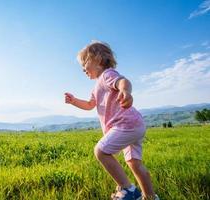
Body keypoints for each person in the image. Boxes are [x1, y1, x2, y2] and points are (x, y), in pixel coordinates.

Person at [64, 41, 159, 200]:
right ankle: (150, 197)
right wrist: (74, 101)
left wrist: (125, 91)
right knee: (134, 163)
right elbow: (89, 105)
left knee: (101, 151)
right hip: (135, 125)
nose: (82, 68)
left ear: (98, 60)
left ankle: (127, 189)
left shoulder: (107, 75)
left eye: (85, 63)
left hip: (125, 124)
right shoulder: (97, 86)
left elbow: (123, 81)